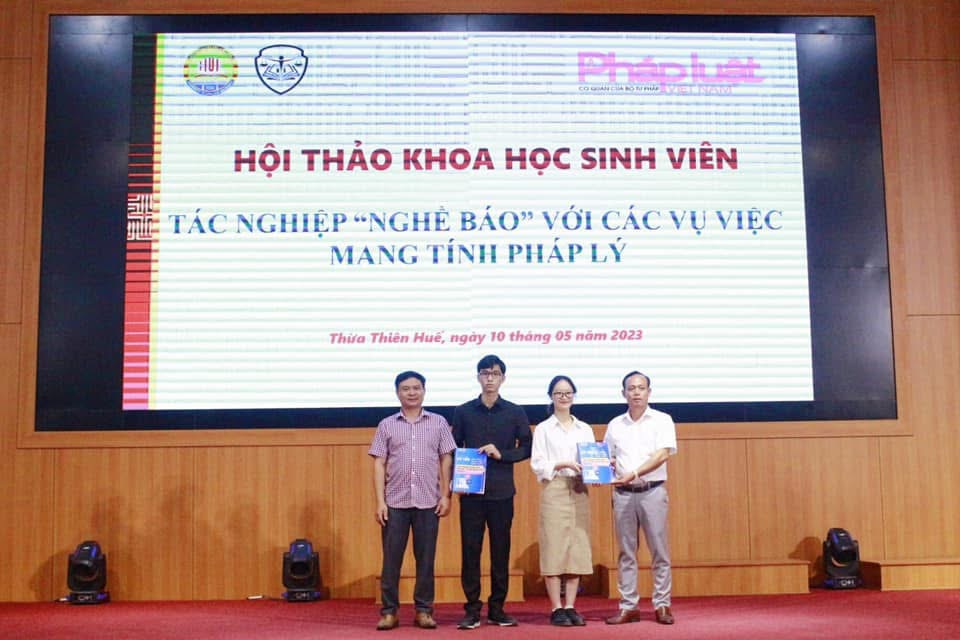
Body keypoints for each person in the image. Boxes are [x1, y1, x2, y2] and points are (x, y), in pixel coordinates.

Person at [369, 371, 456, 631]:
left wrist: (446, 495)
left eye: (416, 388)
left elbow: (446, 458)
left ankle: (424, 611)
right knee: (391, 561)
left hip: (429, 502)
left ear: (424, 391)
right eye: (406, 388)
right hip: (394, 503)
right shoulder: (387, 424)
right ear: (397, 392)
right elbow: (379, 462)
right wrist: (380, 501)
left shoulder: (439, 422)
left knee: (426, 560)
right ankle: (389, 612)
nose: (411, 392)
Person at [452, 354, 532, 629]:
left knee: (501, 552)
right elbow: (453, 449)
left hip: (502, 492)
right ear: (478, 377)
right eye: (485, 373)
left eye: (495, 373)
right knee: (470, 552)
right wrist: (457, 480)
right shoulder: (463, 411)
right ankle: (472, 609)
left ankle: (497, 608)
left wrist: (502, 454)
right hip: (471, 494)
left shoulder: (515, 412)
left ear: (503, 378)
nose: (490, 378)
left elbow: (528, 447)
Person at [603, 371, 678, 626]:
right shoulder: (615, 424)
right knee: (626, 553)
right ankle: (628, 606)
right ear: (623, 393)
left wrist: (634, 473)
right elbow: (608, 458)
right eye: (631, 388)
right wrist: (603, 468)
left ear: (649, 392)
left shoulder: (662, 420)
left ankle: (662, 604)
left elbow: (662, 455)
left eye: (641, 388)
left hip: (652, 491)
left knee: (659, 551)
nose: (636, 392)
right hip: (623, 494)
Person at [529, 375, 595, 627]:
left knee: (577, 546)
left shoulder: (584, 428)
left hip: (579, 488)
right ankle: (556, 607)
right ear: (551, 397)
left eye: (568, 393)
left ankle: (571, 606)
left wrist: (599, 470)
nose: (564, 397)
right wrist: (562, 464)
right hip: (554, 486)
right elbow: (537, 463)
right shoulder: (544, 428)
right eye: (558, 393)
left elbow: (593, 459)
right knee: (554, 546)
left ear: (574, 396)